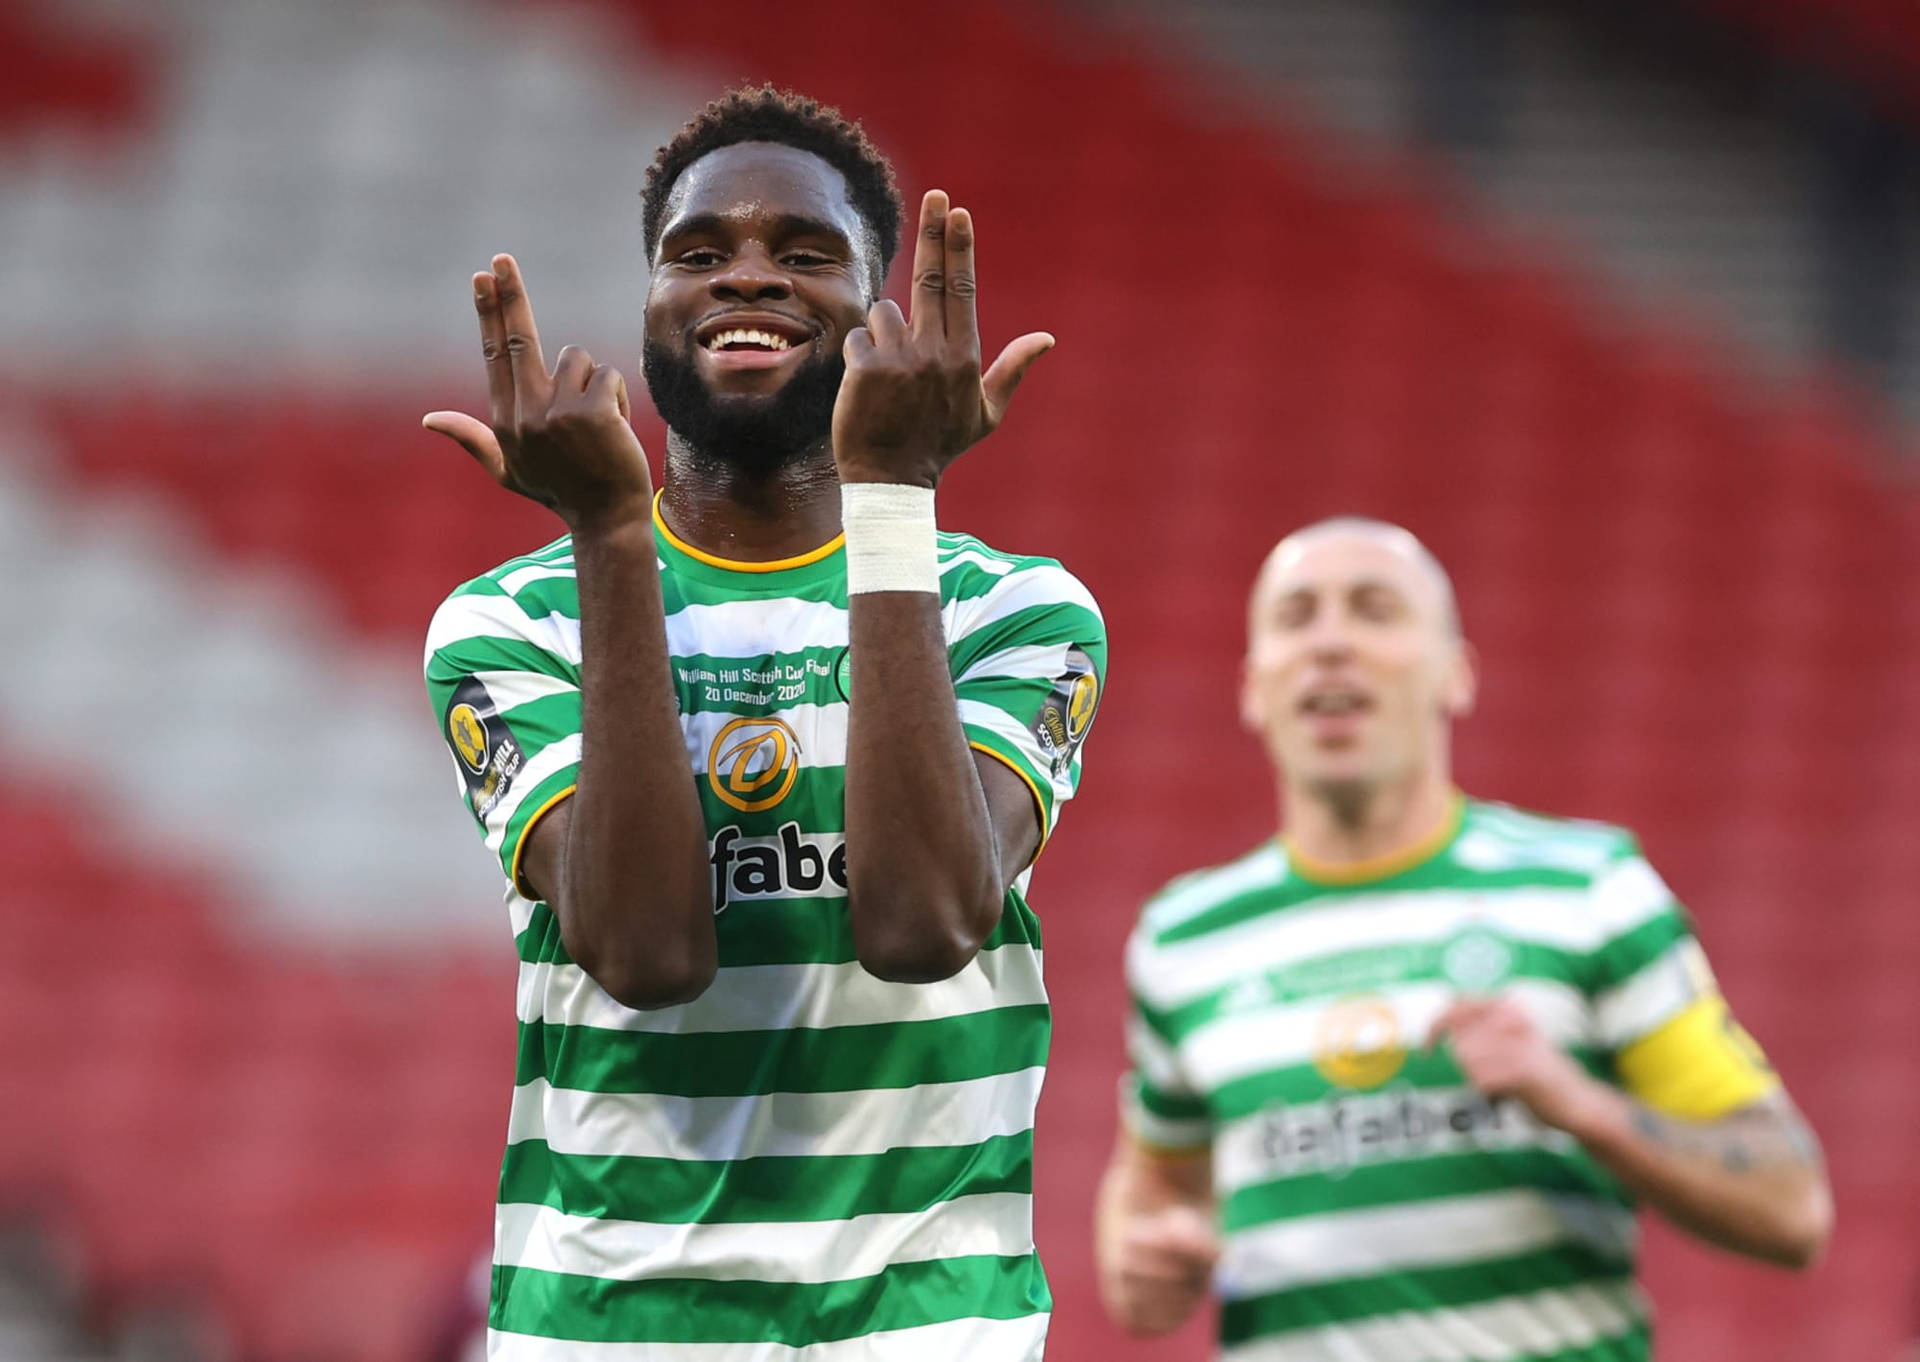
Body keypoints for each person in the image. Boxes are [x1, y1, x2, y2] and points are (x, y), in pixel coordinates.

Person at [421, 87, 1105, 1361]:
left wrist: (893, 494)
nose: (748, 278)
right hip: (609, 1332)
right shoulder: (510, 625)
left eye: (806, 255)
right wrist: (610, 538)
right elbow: (645, 952)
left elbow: (922, 925)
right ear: (649, 312)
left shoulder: (1015, 609)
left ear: (878, 317)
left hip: (926, 1333)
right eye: (699, 253)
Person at [1097, 517, 1830, 1359]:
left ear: (1457, 674)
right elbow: (1155, 1191)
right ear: (1254, 687)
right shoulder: (1185, 938)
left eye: (1374, 610)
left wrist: (1575, 1101)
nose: (1331, 642)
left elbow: (1789, 1206)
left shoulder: (1587, 891)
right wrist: (1146, 1258)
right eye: (1297, 617)